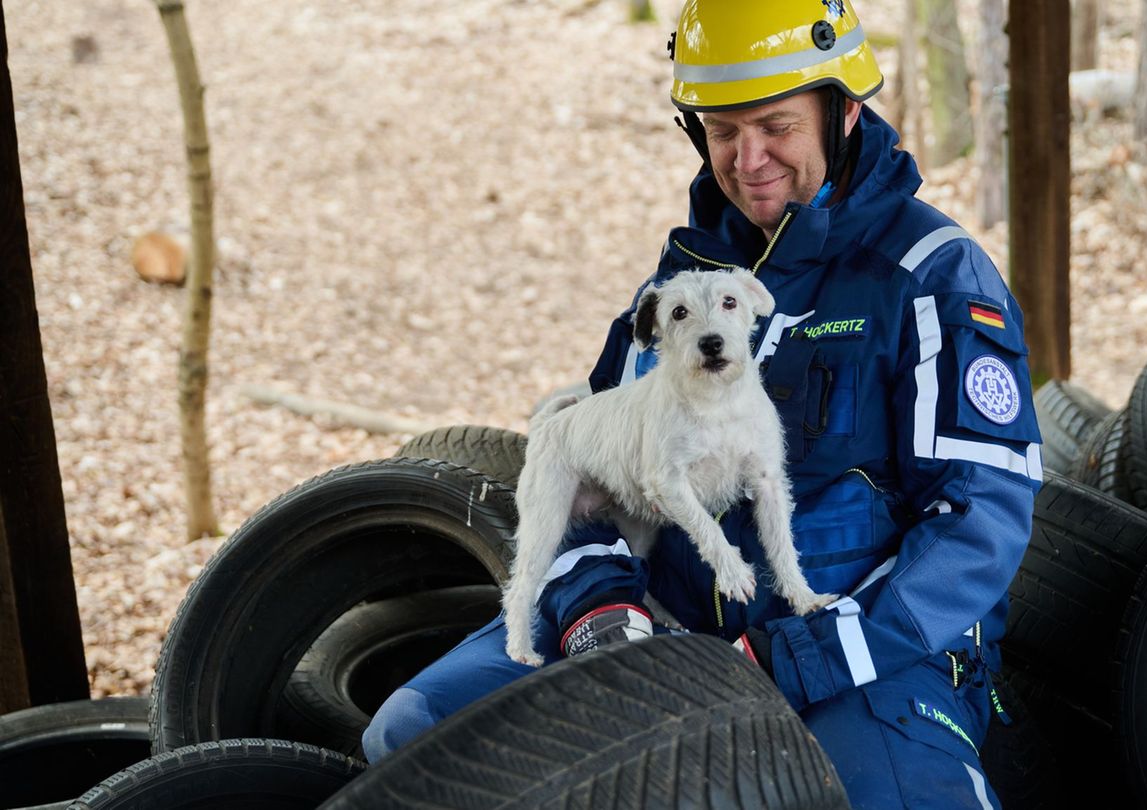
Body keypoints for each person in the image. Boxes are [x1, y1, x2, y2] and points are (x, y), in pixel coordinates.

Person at [364, 1, 1042, 806]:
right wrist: (598, 608)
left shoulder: (933, 276)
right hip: (662, 625)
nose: (749, 160)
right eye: (723, 131)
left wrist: (801, 658)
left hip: (864, 657)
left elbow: (978, 524)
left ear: (845, 113)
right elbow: (591, 468)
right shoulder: (679, 281)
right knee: (416, 734)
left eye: (776, 126)